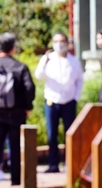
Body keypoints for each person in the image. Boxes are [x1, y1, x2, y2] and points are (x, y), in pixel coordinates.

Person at [0, 32, 36, 188]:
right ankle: (16, 181)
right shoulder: (20, 67)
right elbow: (29, 88)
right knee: (15, 147)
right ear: (13, 48)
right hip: (17, 114)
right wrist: (27, 106)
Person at [34, 32, 84, 173]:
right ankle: (53, 164)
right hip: (52, 100)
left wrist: (76, 97)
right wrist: (45, 60)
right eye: (56, 41)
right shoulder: (48, 59)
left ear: (67, 43)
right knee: (52, 134)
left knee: (70, 133)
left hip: (69, 101)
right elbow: (38, 75)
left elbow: (80, 80)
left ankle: (70, 163)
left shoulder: (74, 61)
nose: (59, 44)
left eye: (62, 41)